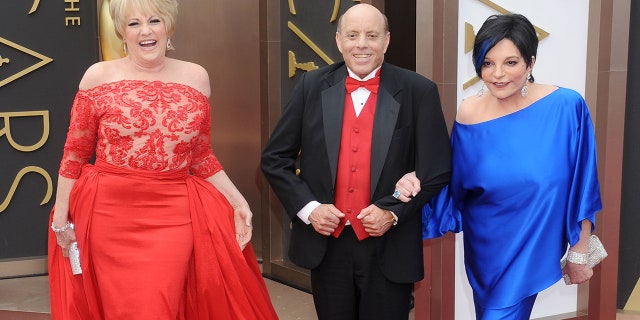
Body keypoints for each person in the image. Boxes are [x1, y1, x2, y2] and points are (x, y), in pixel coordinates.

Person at [47, 0, 278, 319]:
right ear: (121, 32)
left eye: (154, 20)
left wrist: (239, 202)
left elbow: (201, 155)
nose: (145, 31)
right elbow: (73, 155)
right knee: (120, 308)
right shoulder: (97, 77)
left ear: (168, 25)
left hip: (173, 213)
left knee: (159, 304)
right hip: (108, 214)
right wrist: (61, 219)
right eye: (133, 23)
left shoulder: (196, 77)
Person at [394, 13, 603, 320]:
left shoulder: (567, 107)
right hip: (486, 247)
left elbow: (584, 182)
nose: (497, 74)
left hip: (533, 240)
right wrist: (415, 180)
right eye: (487, 63)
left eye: (511, 62)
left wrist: (580, 248)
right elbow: (452, 179)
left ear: (530, 63)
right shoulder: (469, 111)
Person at [260, 4, 451, 320]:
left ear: (386, 41)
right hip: (328, 244)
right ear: (338, 41)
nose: (361, 44)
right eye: (352, 35)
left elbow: (437, 168)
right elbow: (274, 158)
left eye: (372, 35)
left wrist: (392, 212)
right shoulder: (311, 86)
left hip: (389, 245)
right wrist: (310, 210)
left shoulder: (419, 90)